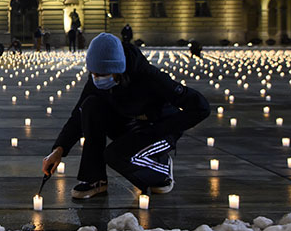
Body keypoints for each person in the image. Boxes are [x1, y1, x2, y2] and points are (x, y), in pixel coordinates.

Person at [42, 33, 210, 199]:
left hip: (158, 130)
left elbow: (200, 107)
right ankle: (95, 179)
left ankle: (161, 169)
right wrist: (59, 149)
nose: (96, 79)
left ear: (118, 69)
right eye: (93, 73)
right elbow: (78, 115)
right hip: (129, 125)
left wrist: (159, 129)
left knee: (115, 155)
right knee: (90, 105)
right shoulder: (98, 76)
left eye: (101, 75)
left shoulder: (150, 78)